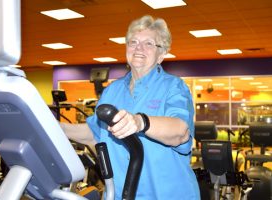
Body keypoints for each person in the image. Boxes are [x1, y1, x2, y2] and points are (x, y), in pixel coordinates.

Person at [61, 15, 200, 199]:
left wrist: (140, 122)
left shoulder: (174, 87)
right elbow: (94, 132)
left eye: (149, 43)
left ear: (162, 54)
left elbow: (180, 132)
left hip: (167, 194)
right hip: (121, 194)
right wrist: (56, 128)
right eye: (133, 42)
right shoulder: (112, 91)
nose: (139, 48)